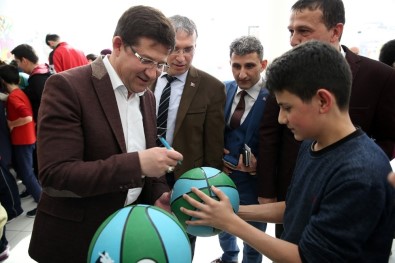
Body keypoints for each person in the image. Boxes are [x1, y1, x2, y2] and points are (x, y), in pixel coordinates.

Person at [181, 40, 395, 262]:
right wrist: (230, 212)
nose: (281, 119)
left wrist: (230, 222)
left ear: (323, 100)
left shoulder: (358, 175)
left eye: (287, 108)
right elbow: (295, 208)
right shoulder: (312, 145)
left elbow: (307, 258)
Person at [28, 6, 181, 263]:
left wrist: (159, 194)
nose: (152, 73)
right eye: (145, 60)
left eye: (160, 65)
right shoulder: (68, 87)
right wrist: (138, 163)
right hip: (76, 237)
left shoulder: (148, 98)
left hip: (126, 238)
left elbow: (148, 162)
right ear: (118, 45)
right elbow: (56, 174)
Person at [257, 0, 395, 238]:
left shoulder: (380, 77)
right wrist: (265, 192)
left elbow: (389, 136)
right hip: (293, 193)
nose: (293, 40)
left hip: (348, 192)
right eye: (291, 31)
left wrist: (355, 166)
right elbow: (269, 134)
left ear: (336, 31)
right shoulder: (286, 72)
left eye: (304, 31)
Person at [149, 15, 225, 257]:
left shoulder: (211, 88)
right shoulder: (145, 78)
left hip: (185, 181)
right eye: (174, 49)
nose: (181, 58)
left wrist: (207, 188)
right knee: (148, 239)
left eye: (188, 49)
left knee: (181, 245)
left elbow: (213, 148)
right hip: (143, 176)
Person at [213, 36, 269, 263]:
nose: (242, 74)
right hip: (223, 178)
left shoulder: (274, 97)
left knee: (254, 236)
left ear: (263, 65)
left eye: (249, 66)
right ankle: (229, 258)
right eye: (236, 66)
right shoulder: (222, 90)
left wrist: (259, 167)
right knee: (222, 227)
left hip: (255, 183)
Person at [0, 64, 42, 218]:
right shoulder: (19, 93)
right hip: (28, 137)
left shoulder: (13, 97)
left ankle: (42, 203)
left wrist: (11, 124)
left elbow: (27, 116)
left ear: (3, 80)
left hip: (23, 140)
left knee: (26, 174)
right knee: (27, 172)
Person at [11, 44, 52, 183]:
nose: (18, 66)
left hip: (48, 129)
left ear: (24, 60)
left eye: (17, 62)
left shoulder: (37, 80)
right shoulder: (45, 72)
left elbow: (48, 107)